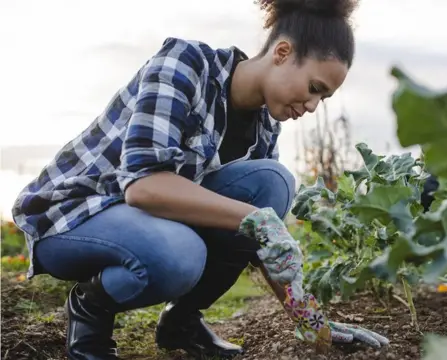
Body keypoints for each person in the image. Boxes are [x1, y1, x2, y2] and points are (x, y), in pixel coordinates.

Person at [11, 0, 388, 358]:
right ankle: (89, 309)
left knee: (273, 182)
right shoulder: (186, 63)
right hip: (71, 217)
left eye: (323, 99)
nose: (311, 107)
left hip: (141, 222)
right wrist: (256, 220)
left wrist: (311, 320)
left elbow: (260, 240)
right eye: (314, 88)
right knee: (181, 254)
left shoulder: (265, 126)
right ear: (282, 53)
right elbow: (144, 186)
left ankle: (182, 321)